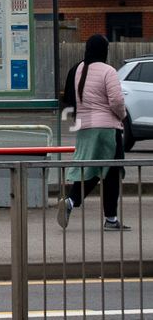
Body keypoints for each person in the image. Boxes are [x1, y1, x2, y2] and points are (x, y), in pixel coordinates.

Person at [57, 34, 132, 231]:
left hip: (84, 128)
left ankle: (72, 201)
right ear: (104, 50)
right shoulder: (108, 71)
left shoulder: (79, 69)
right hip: (107, 129)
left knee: (90, 171)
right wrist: (122, 116)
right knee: (111, 174)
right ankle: (110, 218)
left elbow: (70, 98)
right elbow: (116, 101)